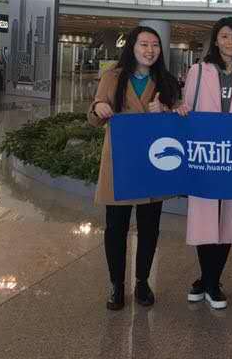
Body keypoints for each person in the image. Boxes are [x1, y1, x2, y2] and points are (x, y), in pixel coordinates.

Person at [88, 26, 180, 311]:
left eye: (155, 45)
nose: (150, 50)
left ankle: (142, 281)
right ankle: (116, 284)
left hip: (153, 164)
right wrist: (98, 108)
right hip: (120, 163)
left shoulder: (166, 81)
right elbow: (95, 116)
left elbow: (178, 124)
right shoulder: (113, 77)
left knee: (150, 227)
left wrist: (165, 113)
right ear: (132, 47)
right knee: (115, 227)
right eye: (144, 44)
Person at [176, 17, 232, 310]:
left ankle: (210, 281)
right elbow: (188, 107)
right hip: (206, 155)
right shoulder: (199, 71)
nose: (230, 42)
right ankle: (210, 281)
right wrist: (182, 110)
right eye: (225, 36)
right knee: (204, 218)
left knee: (228, 219)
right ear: (216, 40)